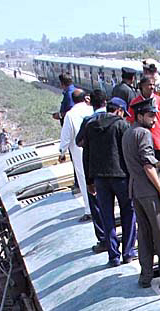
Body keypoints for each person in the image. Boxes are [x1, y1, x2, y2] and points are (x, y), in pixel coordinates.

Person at [122, 99, 160, 291]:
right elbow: (148, 165)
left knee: (143, 235)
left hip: (135, 190)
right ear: (140, 116)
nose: (154, 120)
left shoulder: (128, 133)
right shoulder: (143, 134)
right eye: (151, 116)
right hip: (149, 192)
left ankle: (145, 276)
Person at [81, 97, 136, 267]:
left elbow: (86, 155)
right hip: (121, 177)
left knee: (107, 217)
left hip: (99, 179)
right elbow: (128, 153)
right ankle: (128, 252)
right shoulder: (122, 125)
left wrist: (89, 180)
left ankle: (113, 256)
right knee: (128, 214)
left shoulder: (90, 126)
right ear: (119, 110)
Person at [128, 77, 160, 198]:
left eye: (153, 85)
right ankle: (156, 195)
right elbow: (130, 122)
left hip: (159, 141)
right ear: (142, 86)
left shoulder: (159, 100)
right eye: (149, 85)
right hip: (143, 143)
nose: (152, 87)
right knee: (148, 169)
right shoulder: (135, 103)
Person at [59, 89, 98, 227]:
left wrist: (62, 152)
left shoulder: (70, 115)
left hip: (79, 152)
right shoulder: (91, 110)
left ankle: (90, 210)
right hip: (96, 149)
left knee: (84, 180)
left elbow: (66, 136)